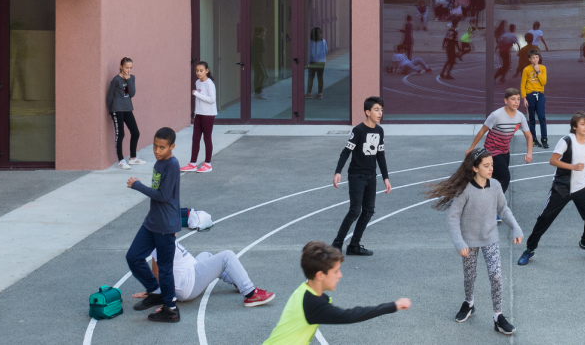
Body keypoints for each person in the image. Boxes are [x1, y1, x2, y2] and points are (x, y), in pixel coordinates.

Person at [422, 149, 524, 335]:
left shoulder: (495, 186)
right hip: (469, 241)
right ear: (475, 168)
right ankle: (469, 303)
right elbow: (453, 218)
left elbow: (503, 209)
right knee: (470, 276)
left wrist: (515, 227)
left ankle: (498, 317)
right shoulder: (465, 190)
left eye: (492, 165)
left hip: (490, 238)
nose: (491, 168)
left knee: (496, 276)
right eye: (486, 166)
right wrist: (459, 243)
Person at [261, 241, 410, 345]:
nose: (340, 275)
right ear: (320, 275)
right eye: (336, 271)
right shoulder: (313, 304)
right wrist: (393, 305)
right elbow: (351, 315)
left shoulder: (306, 291)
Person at [519, 112, 585, 265]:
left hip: (581, 187)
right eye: (582, 124)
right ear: (574, 127)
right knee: (544, 219)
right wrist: (572, 167)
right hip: (561, 187)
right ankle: (530, 249)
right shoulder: (566, 141)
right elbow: (553, 160)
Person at [123, 127, 187, 323]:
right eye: (155, 146)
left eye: (162, 147)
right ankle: (155, 290)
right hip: (152, 222)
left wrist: (138, 185)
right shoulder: (160, 163)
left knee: (165, 269)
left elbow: (164, 196)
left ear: (172, 146)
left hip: (166, 226)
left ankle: (171, 309)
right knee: (133, 257)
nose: (157, 151)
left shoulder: (172, 165)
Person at [332, 96, 392, 256]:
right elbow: (346, 151)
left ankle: (354, 245)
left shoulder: (380, 131)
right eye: (376, 110)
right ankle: (336, 245)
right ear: (367, 112)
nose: (380, 113)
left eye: (381, 110)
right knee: (354, 211)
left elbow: (380, 155)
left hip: (371, 176)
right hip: (357, 176)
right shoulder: (358, 130)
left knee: (368, 211)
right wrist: (338, 171)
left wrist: (386, 177)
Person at [133, 243, 275, 308]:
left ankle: (238, 282)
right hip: (188, 284)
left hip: (191, 272)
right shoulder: (160, 245)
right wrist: (163, 299)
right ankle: (250, 294)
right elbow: (159, 274)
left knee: (205, 255)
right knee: (227, 256)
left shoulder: (161, 239)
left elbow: (157, 272)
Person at [467, 89, 533, 193]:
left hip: (505, 151)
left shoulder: (520, 117)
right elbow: (482, 131)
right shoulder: (496, 115)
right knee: (505, 178)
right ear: (506, 101)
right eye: (513, 99)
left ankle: (482, 196)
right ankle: (496, 201)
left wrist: (529, 153)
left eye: (518, 99)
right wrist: (471, 148)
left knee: (494, 179)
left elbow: (528, 136)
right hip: (492, 151)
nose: (516, 102)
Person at [107, 57, 142, 170]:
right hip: (117, 109)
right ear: (121, 67)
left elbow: (131, 93)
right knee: (120, 133)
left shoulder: (131, 78)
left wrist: (128, 80)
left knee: (135, 132)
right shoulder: (116, 80)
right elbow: (109, 96)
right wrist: (110, 112)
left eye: (130, 68)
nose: (128, 70)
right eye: (126, 67)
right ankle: (121, 160)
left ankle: (132, 158)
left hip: (127, 108)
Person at [184, 61, 218, 173]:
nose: (198, 73)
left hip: (208, 114)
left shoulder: (209, 84)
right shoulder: (197, 82)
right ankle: (193, 163)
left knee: (207, 138)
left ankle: (208, 164)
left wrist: (197, 94)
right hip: (199, 114)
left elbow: (212, 99)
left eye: (201, 70)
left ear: (206, 71)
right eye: (197, 70)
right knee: (195, 138)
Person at [520, 49, 550, 149]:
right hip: (530, 95)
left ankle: (544, 139)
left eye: (537, 57)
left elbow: (544, 82)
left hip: (540, 94)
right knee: (531, 118)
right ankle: (533, 139)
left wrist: (538, 71)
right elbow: (523, 84)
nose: (535, 59)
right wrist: (524, 98)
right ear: (529, 59)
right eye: (533, 58)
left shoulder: (543, 68)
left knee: (542, 117)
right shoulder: (526, 69)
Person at [307, 27, 329, 100]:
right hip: (322, 62)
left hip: (313, 61)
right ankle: (320, 93)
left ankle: (309, 93)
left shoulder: (311, 41)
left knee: (311, 77)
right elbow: (326, 51)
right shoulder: (324, 41)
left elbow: (311, 53)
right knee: (320, 77)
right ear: (320, 33)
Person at [252, 28, 269, 100]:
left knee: (257, 76)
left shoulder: (254, 39)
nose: (264, 34)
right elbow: (263, 49)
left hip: (254, 60)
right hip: (258, 60)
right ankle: (259, 92)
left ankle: (257, 93)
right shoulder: (260, 40)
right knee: (264, 75)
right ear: (261, 32)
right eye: (264, 32)